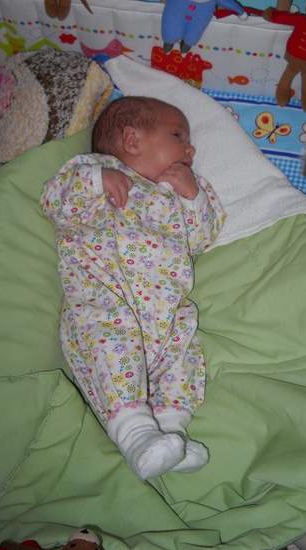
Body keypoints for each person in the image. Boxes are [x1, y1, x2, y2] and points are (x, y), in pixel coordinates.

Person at [40, 96, 226, 480]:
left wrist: (192, 197)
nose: (190, 149)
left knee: (184, 352)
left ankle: (172, 430)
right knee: (115, 345)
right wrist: (96, 180)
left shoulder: (180, 192)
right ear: (132, 140)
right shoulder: (95, 170)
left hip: (164, 313)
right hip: (105, 304)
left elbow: (202, 238)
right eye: (178, 136)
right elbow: (55, 200)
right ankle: (136, 434)